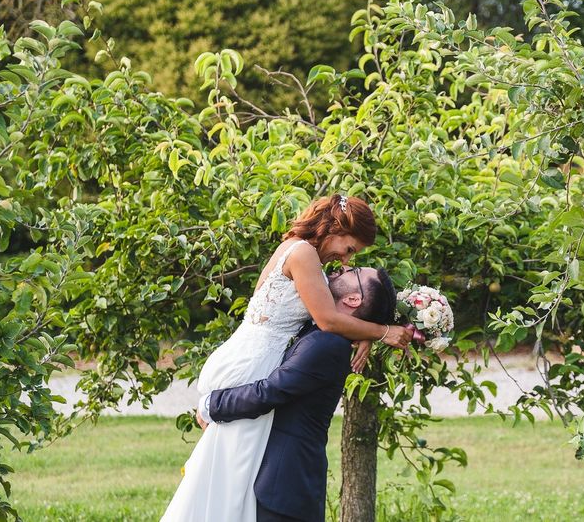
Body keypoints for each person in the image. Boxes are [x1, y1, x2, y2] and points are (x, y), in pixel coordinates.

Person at [161, 195, 412, 522]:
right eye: (351, 249)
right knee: (233, 474)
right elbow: (326, 320)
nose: (346, 260)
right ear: (337, 226)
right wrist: (381, 331)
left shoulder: (302, 252)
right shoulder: (304, 254)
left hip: (253, 356)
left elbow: (320, 321)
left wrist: (363, 333)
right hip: (254, 361)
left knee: (230, 469)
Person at [196, 265, 397, 522]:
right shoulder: (323, 331)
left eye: (353, 270)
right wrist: (372, 332)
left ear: (353, 299)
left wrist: (211, 405)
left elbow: (271, 391)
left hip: (283, 485)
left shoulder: (328, 345)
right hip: (277, 480)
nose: (342, 266)